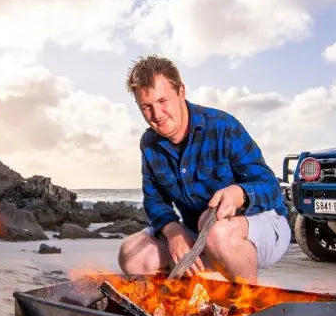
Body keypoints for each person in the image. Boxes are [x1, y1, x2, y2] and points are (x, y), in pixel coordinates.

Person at [118, 55, 290, 283]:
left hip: (262, 227)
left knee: (216, 232)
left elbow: (271, 188)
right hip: (198, 233)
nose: (157, 115)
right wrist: (173, 231)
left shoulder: (222, 126)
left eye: (162, 101)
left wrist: (239, 194)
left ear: (181, 92)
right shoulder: (149, 143)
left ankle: (247, 305)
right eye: (146, 107)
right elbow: (154, 201)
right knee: (131, 255)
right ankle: (184, 304)